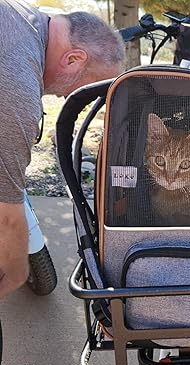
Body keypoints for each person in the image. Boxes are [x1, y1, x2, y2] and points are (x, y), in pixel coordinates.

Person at [0, 0, 125, 298]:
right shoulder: (17, 87)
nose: (72, 97)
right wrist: (17, 269)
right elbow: (6, 210)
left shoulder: (21, 15)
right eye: (85, 88)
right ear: (73, 59)